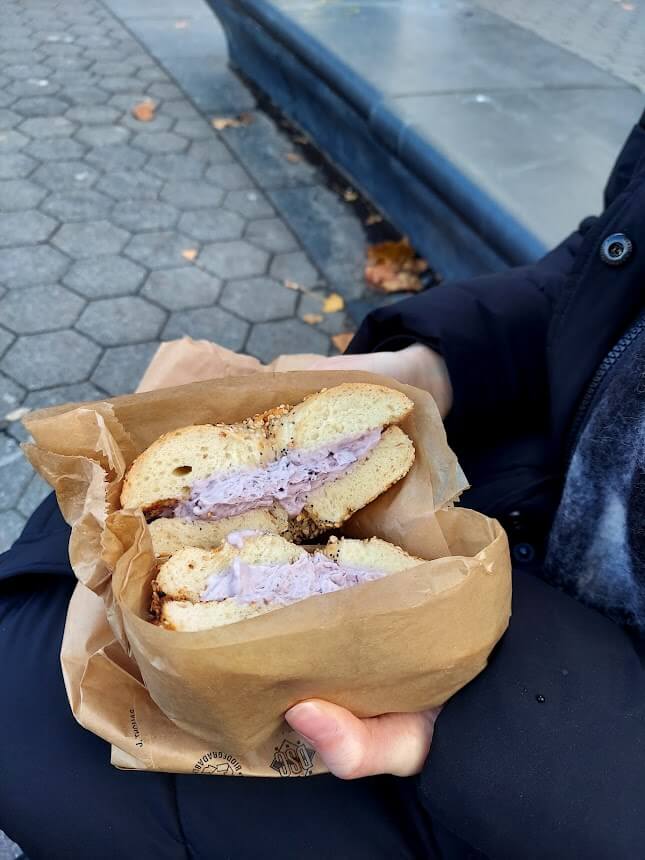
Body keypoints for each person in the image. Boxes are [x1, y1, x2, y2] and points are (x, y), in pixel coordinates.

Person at [2, 111, 645, 860]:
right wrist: (433, 368)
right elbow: (598, 270)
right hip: (519, 495)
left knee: (33, 735)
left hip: (563, 765)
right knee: (37, 616)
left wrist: (491, 716)